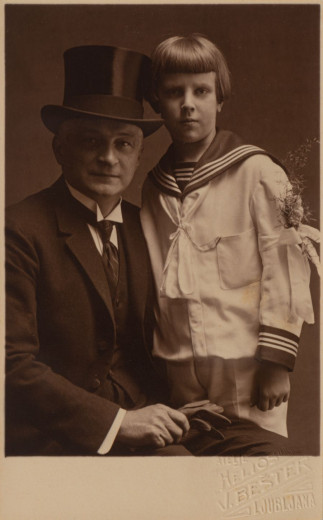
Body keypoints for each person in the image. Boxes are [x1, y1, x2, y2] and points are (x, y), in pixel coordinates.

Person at [5, 44, 196, 456]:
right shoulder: (17, 230)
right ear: (60, 149)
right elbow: (10, 364)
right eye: (91, 141)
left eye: (123, 144)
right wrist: (118, 423)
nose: (108, 158)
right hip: (58, 438)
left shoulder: (145, 226)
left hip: (153, 413)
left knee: (267, 459)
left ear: (139, 154)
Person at [140, 34, 316, 454]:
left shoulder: (256, 171)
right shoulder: (154, 188)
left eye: (201, 91)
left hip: (247, 370)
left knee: (255, 479)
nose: (187, 103)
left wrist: (276, 363)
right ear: (156, 103)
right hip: (181, 368)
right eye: (173, 92)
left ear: (220, 98)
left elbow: (287, 265)